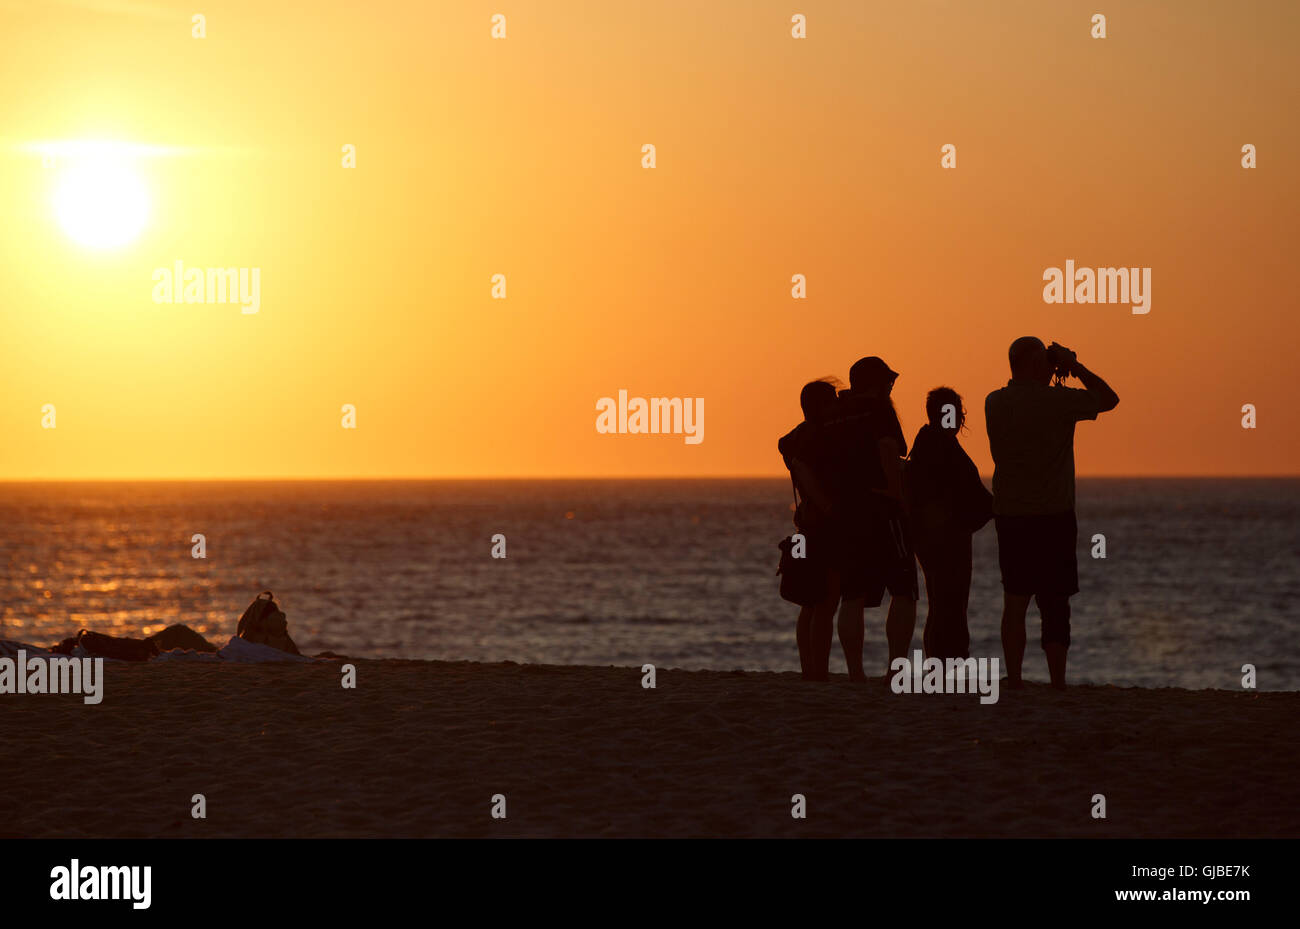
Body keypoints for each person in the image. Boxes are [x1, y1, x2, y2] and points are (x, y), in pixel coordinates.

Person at [984, 338, 1119, 689]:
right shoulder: (1058, 401)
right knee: (1055, 602)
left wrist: (1054, 367)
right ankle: (1057, 681)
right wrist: (1074, 366)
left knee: (1014, 601)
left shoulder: (994, 402)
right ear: (1032, 363)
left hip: (1011, 516)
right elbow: (1109, 399)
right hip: (1053, 516)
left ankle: (1014, 678)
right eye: (1044, 359)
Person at [827, 357, 918, 681]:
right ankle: (896, 669)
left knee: (852, 595)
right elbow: (888, 449)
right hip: (883, 509)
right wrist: (898, 497)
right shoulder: (880, 410)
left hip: (848, 512)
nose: (891, 387)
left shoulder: (834, 414)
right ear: (877, 384)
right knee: (904, 589)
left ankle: (855, 673)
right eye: (887, 382)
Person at [905, 388, 993, 661]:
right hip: (944, 536)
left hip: (940, 534)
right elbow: (955, 491)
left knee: (942, 602)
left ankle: (942, 662)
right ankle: (946, 663)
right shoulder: (938, 445)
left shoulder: (932, 443)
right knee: (948, 603)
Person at [778, 379, 841, 680]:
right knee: (825, 602)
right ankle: (820, 671)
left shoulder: (796, 437)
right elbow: (802, 467)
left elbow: (791, 455)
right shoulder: (818, 437)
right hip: (823, 525)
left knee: (810, 602)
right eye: (832, 400)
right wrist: (827, 506)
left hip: (808, 522)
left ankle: (809, 669)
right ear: (820, 406)